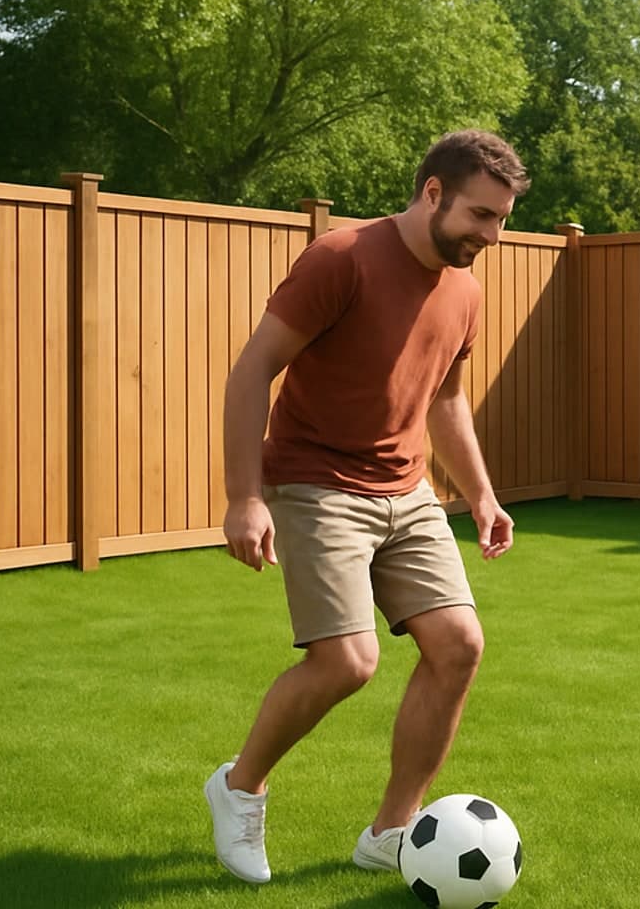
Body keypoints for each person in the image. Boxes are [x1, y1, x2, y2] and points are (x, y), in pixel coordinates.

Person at [203, 129, 528, 884]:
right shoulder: (341, 259)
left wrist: (480, 493)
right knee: (348, 661)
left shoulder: (466, 290)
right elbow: (251, 372)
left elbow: (445, 397)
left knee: (459, 646)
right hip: (316, 480)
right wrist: (245, 496)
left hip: (407, 489)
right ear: (433, 192)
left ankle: (392, 830)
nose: (492, 235)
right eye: (481, 216)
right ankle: (239, 787)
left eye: (502, 220)